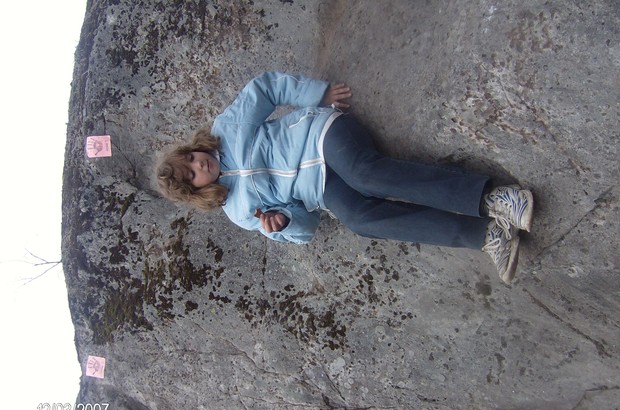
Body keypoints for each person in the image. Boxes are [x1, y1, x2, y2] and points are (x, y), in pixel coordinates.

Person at [155, 72, 533, 284]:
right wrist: (283, 222)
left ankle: (494, 199)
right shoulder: (238, 210)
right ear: (195, 191)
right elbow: (307, 228)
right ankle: (487, 235)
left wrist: (317, 94)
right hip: (321, 189)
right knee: (359, 219)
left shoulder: (226, 131)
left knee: (365, 175)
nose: (199, 164)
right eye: (192, 174)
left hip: (321, 136)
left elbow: (265, 88)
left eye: (191, 158)